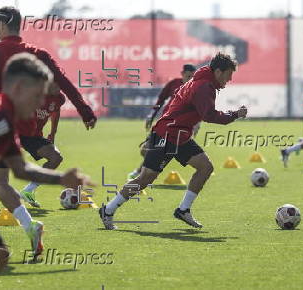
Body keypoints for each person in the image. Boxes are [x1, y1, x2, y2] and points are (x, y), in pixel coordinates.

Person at [0, 53, 90, 290]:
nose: (39, 105)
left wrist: (61, 178)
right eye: (37, 96)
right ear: (19, 87)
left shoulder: (5, 119)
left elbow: (20, 169)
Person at [0, 6, 96, 255]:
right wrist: (84, 110)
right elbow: (63, 81)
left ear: (1, 24)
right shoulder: (37, 53)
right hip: (13, 127)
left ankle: (25, 226)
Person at [100, 53, 247, 230]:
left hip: (180, 136)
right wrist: (235, 114)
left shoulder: (202, 81)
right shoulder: (203, 86)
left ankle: (183, 210)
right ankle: (108, 210)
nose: (230, 79)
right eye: (229, 74)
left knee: (205, 167)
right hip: (167, 135)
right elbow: (209, 115)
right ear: (218, 71)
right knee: (146, 178)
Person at [127, 64, 196, 180]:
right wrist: (151, 115)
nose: (191, 79)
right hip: (163, 123)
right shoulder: (174, 84)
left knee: (159, 151)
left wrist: (196, 125)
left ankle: (141, 174)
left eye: (193, 77)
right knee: (145, 150)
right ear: (182, 74)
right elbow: (161, 99)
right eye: (189, 76)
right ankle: (143, 172)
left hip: (179, 127)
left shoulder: (195, 89)